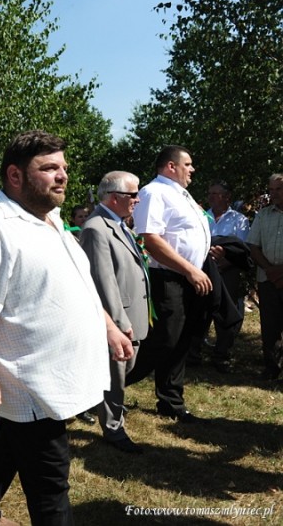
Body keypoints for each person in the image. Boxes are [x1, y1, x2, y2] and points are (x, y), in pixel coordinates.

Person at [0, 131, 131, 526]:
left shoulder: (50, 220)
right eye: (49, 168)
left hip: (59, 375)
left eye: (63, 167)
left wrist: (109, 328)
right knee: (51, 481)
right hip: (30, 380)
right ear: (15, 176)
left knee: (11, 448)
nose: (62, 175)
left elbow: (80, 285)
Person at [127, 145, 212, 423]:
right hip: (170, 278)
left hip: (189, 276)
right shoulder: (155, 192)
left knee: (182, 339)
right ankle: (105, 388)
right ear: (171, 166)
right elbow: (150, 239)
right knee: (163, 341)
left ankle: (171, 401)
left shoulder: (181, 194)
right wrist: (189, 269)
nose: (192, 169)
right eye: (187, 164)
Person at [79, 171, 150, 454]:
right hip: (119, 319)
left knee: (121, 371)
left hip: (131, 314)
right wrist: (118, 322)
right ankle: (113, 428)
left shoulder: (117, 223)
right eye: (133, 195)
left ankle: (97, 409)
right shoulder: (97, 228)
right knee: (115, 375)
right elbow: (103, 280)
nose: (138, 200)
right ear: (114, 197)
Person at [199, 180, 252, 372]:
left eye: (215, 193)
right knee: (201, 311)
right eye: (209, 193)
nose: (211, 197)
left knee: (226, 312)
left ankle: (221, 356)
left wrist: (224, 261)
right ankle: (194, 353)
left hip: (228, 272)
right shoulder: (201, 217)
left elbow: (244, 249)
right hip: (203, 271)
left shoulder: (239, 220)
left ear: (227, 197)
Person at [247, 173, 283, 380]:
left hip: (275, 275)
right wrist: (271, 270)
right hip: (267, 279)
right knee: (270, 327)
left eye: (278, 189)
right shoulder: (263, 215)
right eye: (271, 189)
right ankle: (272, 368)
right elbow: (253, 246)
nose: (274, 193)